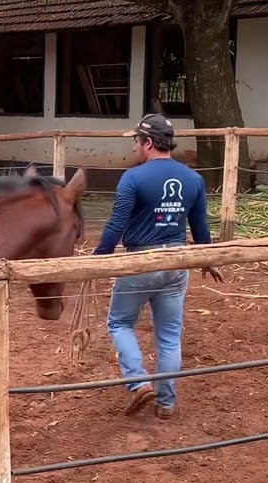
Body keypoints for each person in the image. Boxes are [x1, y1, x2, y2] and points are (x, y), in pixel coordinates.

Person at [90, 113, 224, 419]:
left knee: (120, 323)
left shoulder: (133, 178)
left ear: (148, 143)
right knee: (169, 335)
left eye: (137, 141)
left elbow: (115, 226)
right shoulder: (194, 179)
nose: (135, 147)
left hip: (141, 262)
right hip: (177, 263)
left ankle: (138, 382)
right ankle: (166, 404)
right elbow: (201, 228)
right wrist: (208, 258)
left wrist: (97, 260)